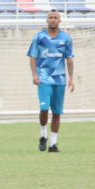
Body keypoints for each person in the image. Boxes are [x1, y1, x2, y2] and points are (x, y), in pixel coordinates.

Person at [27, 10, 75, 153]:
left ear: (60, 20)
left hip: (60, 79)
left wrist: (71, 78)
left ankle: (53, 144)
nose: (53, 20)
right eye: (50, 17)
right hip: (43, 78)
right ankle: (43, 135)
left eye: (56, 18)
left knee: (57, 112)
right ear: (47, 20)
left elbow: (70, 59)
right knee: (44, 108)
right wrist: (34, 74)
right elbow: (32, 57)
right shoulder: (40, 37)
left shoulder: (66, 38)